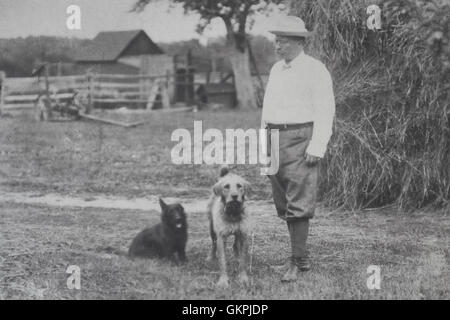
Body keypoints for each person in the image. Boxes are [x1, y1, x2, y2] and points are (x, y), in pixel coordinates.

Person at [261, 16, 336, 282]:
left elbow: (325, 110)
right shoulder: (276, 69)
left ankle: (297, 259)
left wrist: (317, 145)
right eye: (276, 41)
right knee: (282, 201)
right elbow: (267, 108)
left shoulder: (315, 69)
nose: (276, 46)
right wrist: (265, 143)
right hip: (274, 137)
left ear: (297, 42)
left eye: (281, 41)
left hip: (300, 137)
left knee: (298, 200)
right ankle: (298, 255)